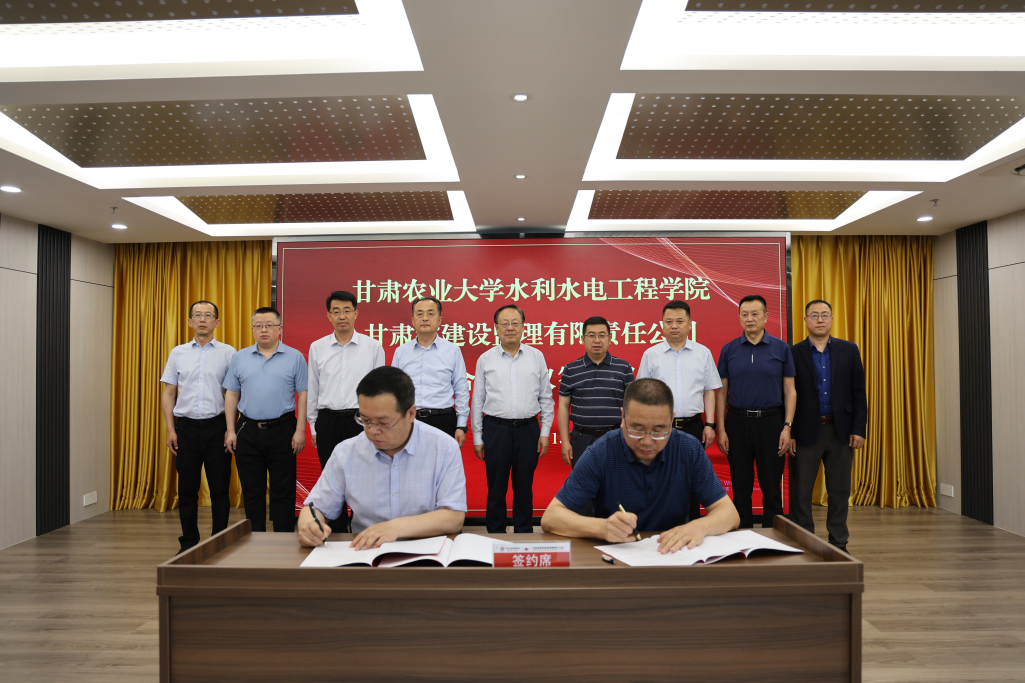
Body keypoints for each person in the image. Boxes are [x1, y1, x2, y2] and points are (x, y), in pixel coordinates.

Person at [540, 378, 740, 552]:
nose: (647, 441)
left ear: (671, 420)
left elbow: (729, 514)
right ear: (622, 418)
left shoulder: (689, 449)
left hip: (674, 554)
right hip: (616, 556)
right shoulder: (601, 452)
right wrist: (600, 528)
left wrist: (700, 527)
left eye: (658, 431)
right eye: (637, 429)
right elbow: (551, 518)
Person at [297, 366, 467, 549]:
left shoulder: (443, 447)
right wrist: (309, 525)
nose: (372, 431)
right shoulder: (346, 452)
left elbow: (454, 516)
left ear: (411, 414)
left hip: (427, 552)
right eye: (365, 420)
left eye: (383, 423)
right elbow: (316, 507)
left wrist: (395, 528)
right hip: (366, 552)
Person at [789, 300, 868, 554]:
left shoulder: (849, 350)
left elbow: (859, 393)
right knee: (801, 492)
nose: (820, 319)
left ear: (832, 319)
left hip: (841, 431)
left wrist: (859, 429)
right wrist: (789, 431)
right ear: (805, 320)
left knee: (839, 490)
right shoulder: (793, 352)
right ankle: (805, 541)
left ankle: (839, 542)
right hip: (805, 431)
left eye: (825, 315)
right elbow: (786, 395)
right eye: (814, 315)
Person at [471, 304, 556, 533]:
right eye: (505, 323)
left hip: (528, 430)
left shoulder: (536, 356)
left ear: (523, 327)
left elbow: (546, 397)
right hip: (495, 429)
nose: (510, 328)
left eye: (515, 323)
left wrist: (544, 432)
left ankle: (523, 533)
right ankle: (495, 534)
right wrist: (478, 437)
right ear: (496, 328)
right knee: (495, 487)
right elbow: (477, 400)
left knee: (524, 487)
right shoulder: (485, 359)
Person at [160, 301, 237, 553]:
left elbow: (233, 393)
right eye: (197, 315)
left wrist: (230, 429)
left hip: (218, 428)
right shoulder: (178, 353)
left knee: (219, 490)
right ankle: (189, 543)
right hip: (186, 429)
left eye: (208, 315)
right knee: (187, 490)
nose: (202, 319)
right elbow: (169, 393)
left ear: (217, 322)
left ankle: (219, 542)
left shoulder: (229, 353)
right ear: (190, 321)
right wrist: (171, 430)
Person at [223, 307, 308, 533]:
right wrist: (230, 430)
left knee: (283, 490)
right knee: (252, 490)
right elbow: (231, 394)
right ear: (252, 329)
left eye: (269, 325)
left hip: (283, 429)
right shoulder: (240, 357)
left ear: (279, 329)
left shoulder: (295, 357)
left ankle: (284, 540)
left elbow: (303, 394)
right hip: (247, 429)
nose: (264, 330)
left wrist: (300, 431)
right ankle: (256, 540)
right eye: (259, 326)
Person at [637, 300, 722, 523]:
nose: (674, 326)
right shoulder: (651, 354)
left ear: (689, 324)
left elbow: (709, 391)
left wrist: (710, 424)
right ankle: (659, 528)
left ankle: (692, 526)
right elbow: (641, 394)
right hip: (659, 429)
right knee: (657, 477)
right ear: (662, 324)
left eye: (679, 321)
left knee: (692, 479)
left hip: (693, 426)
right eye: (669, 321)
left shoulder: (702, 353)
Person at [716, 295, 796, 530]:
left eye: (755, 314)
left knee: (771, 485)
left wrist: (787, 427)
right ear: (739, 317)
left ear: (766, 317)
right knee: (740, 485)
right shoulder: (729, 349)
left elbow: (790, 391)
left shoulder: (781, 348)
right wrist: (721, 429)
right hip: (737, 422)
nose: (749, 319)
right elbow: (721, 392)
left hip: (771, 422)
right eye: (745, 314)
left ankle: (773, 536)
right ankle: (742, 535)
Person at [557, 316, 633, 518]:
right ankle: (585, 531)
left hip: (615, 437)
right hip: (582, 438)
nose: (597, 340)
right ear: (583, 339)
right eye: (591, 335)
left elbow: (631, 406)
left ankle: (615, 531)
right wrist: (565, 441)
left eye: (602, 335)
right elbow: (563, 406)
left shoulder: (623, 367)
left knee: (616, 487)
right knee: (583, 489)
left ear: (610, 338)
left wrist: (628, 437)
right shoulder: (571, 369)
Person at [307, 291, 385, 473]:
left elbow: (380, 391)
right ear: (329, 316)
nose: (342, 316)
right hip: (327, 422)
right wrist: (313, 427)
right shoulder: (317, 347)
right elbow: (313, 387)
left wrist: (377, 425)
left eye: (347, 311)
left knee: (363, 475)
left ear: (355, 313)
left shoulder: (373, 347)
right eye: (336, 311)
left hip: (361, 421)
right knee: (331, 476)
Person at [391, 296, 470, 446]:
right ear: (413, 320)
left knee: (442, 461)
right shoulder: (401, 352)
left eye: (430, 314)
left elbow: (461, 389)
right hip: (409, 420)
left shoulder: (452, 351)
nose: (425, 318)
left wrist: (461, 426)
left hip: (443, 420)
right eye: (420, 314)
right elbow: (393, 391)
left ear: (439, 320)